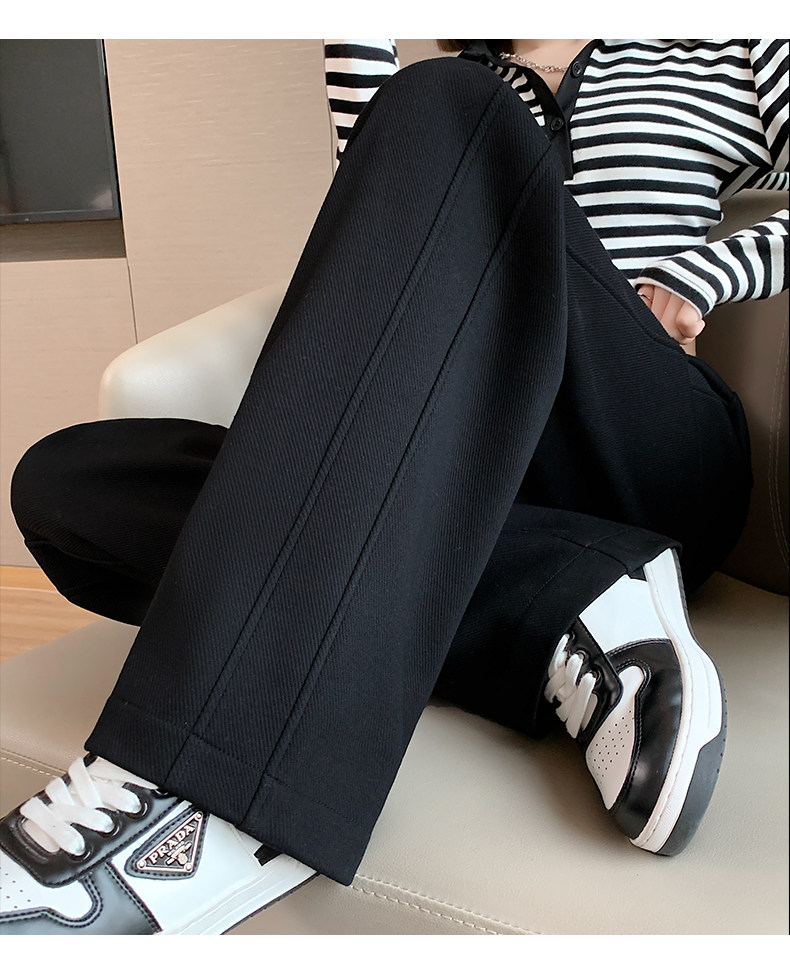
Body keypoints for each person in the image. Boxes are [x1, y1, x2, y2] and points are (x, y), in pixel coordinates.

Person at [0, 38, 787, 936]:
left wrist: (704, 274)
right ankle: (570, 592)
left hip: (643, 435)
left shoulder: (722, 47)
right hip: (475, 475)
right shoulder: (472, 77)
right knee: (70, 484)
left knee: (454, 107)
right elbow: (387, 215)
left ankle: (212, 795)